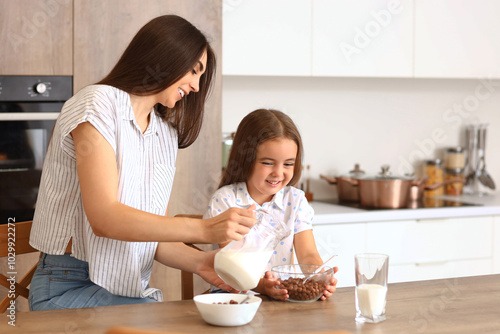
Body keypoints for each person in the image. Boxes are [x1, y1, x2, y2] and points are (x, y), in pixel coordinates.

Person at [28, 15, 255, 311]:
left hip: (128, 292)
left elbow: (154, 235)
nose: (197, 86)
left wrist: (202, 262)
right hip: (68, 287)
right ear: (167, 56)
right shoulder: (98, 104)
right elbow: (105, 218)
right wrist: (203, 230)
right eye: (194, 71)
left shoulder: (164, 135)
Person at [204, 108, 338, 301]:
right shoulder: (226, 200)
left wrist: (320, 277)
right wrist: (263, 287)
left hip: (280, 298)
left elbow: (308, 254)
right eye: (268, 163)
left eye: (288, 164)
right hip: (233, 297)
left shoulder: (296, 200)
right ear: (246, 159)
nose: (278, 173)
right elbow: (232, 265)